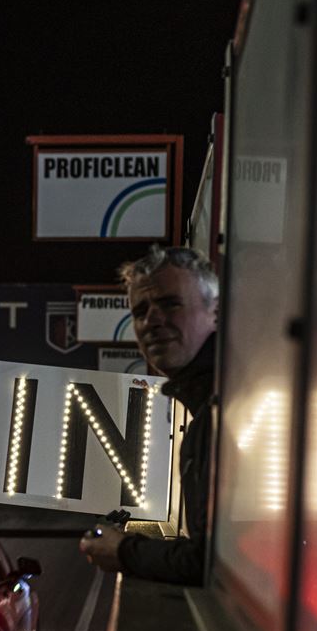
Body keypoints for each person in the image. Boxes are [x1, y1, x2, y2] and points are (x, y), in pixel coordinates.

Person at [79, 245, 218, 585]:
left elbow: (212, 562)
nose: (152, 321)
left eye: (170, 304)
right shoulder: (210, 398)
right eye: (140, 311)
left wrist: (123, 551)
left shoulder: (225, 409)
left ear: (216, 312)